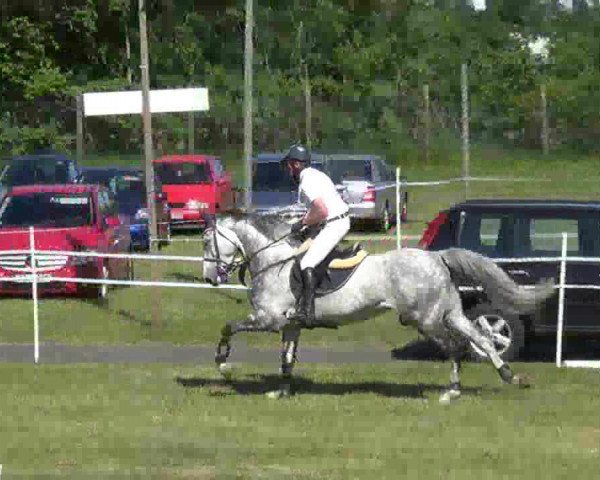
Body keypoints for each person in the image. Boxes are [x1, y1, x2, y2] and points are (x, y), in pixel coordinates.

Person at [280, 144, 350, 327]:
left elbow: (321, 210)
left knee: (306, 262)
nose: (288, 168)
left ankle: (307, 313)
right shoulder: (316, 174)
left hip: (334, 224)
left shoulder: (307, 181)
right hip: (336, 220)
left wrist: (302, 223)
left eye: (289, 164)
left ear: (295, 164)